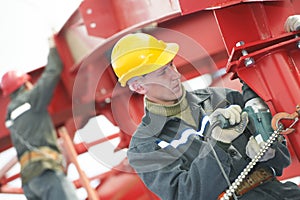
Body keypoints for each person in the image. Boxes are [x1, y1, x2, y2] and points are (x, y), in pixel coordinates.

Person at [109, 20, 300, 200]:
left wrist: (270, 151)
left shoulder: (222, 98)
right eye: (162, 73)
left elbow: (281, 162)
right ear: (138, 87)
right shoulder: (145, 147)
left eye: (171, 65)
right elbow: (186, 194)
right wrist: (219, 145)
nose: (175, 75)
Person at [0, 36, 79, 200]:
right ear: (24, 84)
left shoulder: (10, 113)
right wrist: (53, 46)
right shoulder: (32, 99)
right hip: (46, 172)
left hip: (30, 183)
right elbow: (52, 72)